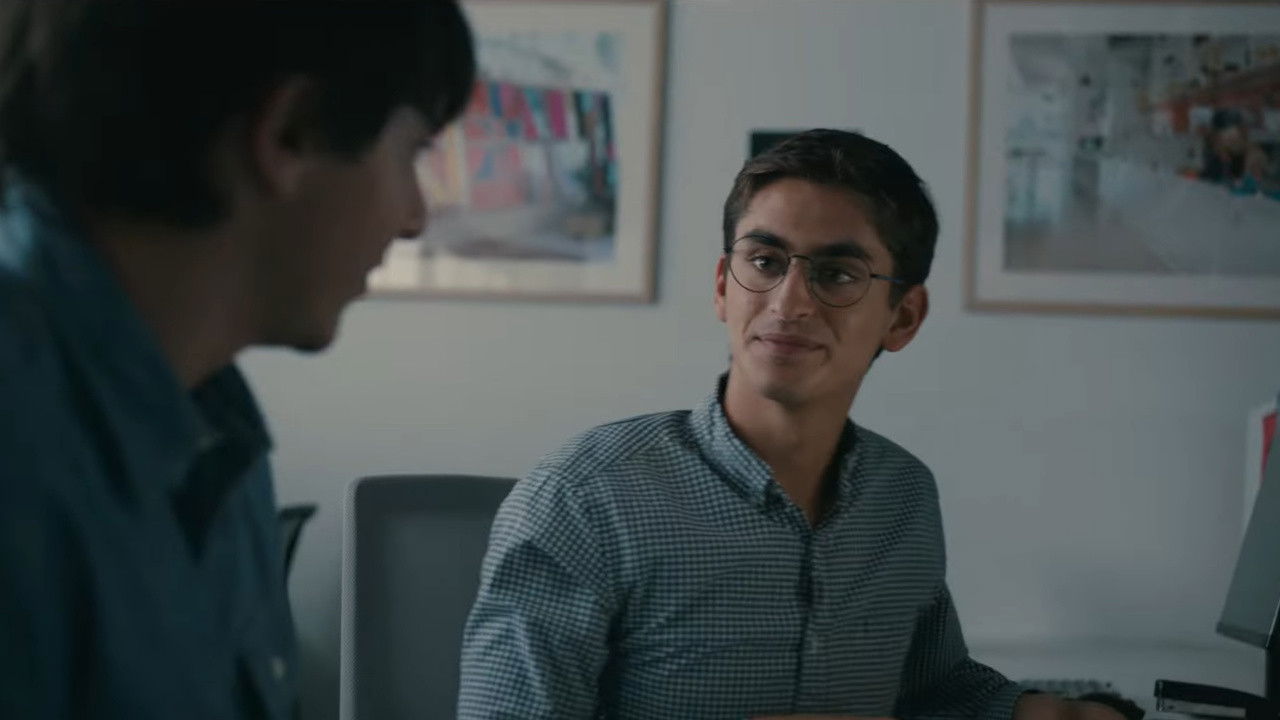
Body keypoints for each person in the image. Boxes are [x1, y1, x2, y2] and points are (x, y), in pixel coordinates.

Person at [457, 130, 1126, 720]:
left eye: (836, 274)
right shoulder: (585, 497)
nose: (788, 302)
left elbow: (934, 692)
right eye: (765, 262)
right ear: (723, 286)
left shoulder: (903, 496)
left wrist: (1056, 713)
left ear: (903, 318)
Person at [0, 2, 474, 718]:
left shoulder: (217, 439)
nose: (414, 218)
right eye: (411, 154)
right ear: (288, 135)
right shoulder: (22, 441)